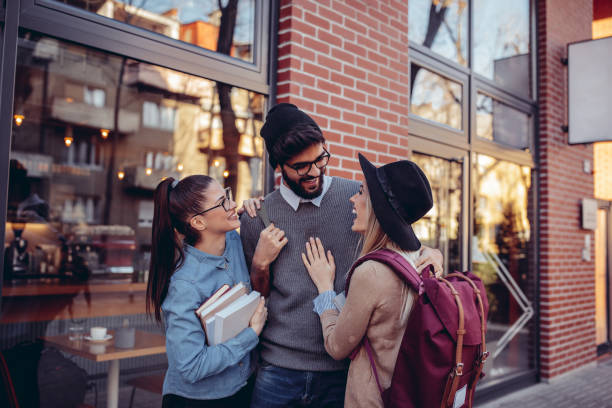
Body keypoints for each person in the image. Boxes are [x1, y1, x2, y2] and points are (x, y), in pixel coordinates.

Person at [239, 103, 443, 407]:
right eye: (301, 166)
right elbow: (258, 298)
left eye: (321, 159)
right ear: (279, 167)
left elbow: (401, 241)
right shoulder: (258, 217)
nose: (315, 172)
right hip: (278, 370)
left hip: (344, 370)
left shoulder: (359, 199)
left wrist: (431, 253)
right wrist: (259, 264)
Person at [301, 154, 435, 407]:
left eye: (361, 192)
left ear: (376, 207)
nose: (353, 198)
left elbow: (337, 346)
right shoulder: (423, 262)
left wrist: (325, 289)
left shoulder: (372, 272)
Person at [147, 175, 267, 408]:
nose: (232, 204)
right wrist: (251, 334)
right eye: (222, 202)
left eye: (228, 195)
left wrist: (256, 208)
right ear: (198, 223)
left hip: (242, 388)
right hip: (198, 400)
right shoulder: (185, 285)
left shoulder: (232, 240)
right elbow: (191, 367)